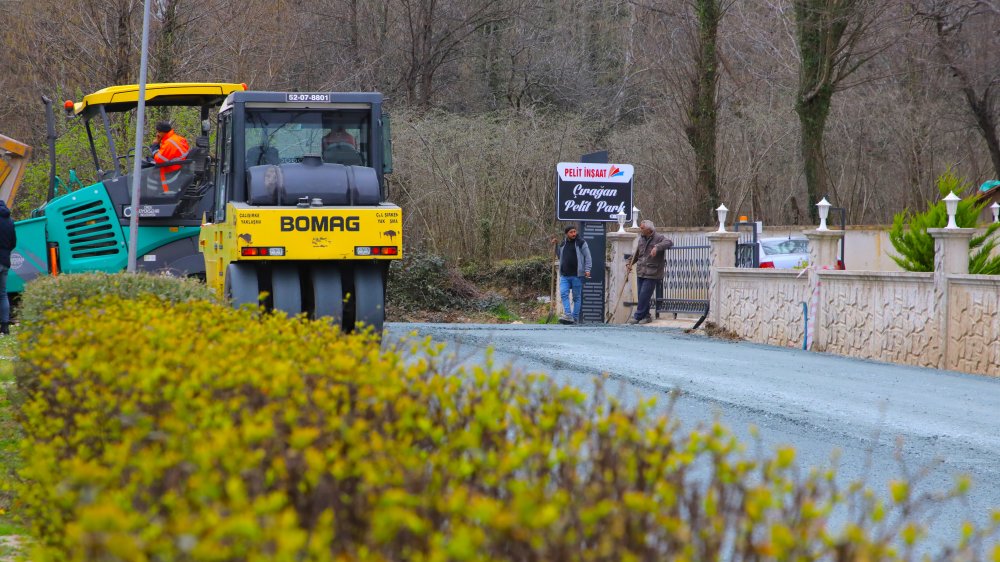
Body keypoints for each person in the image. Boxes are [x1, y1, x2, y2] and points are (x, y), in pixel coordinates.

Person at [626, 219, 673, 325]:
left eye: (642, 228)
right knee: (642, 295)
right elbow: (637, 254)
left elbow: (669, 242)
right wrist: (630, 263)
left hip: (653, 272)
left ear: (649, 230)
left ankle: (637, 316)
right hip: (641, 271)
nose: (640, 230)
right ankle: (647, 316)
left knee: (644, 295)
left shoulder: (659, 238)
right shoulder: (641, 239)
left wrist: (657, 247)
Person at [555, 225, 592, 324]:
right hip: (564, 275)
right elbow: (560, 256)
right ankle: (568, 315)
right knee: (563, 294)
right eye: (571, 232)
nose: (574, 234)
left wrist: (587, 269)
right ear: (566, 234)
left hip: (577, 275)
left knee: (576, 297)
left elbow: (588, 257)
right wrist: (556, 245)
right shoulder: (563, 244)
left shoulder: (581, 243)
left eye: (574, 232)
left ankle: (574, 318)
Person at [151, 121, 190, 192]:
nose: (157, 134)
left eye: (158, 132)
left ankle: (162, 193)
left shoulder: (169, 143)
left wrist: (155, 145)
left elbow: (158, 160)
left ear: (163, 132)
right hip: (180, 169)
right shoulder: (178, 138)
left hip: (172, 172)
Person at [0, 199, 16, 336]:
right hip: (5, 261)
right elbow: (13, 243)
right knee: (3, 294)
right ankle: (5, 327)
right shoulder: (10, 221)